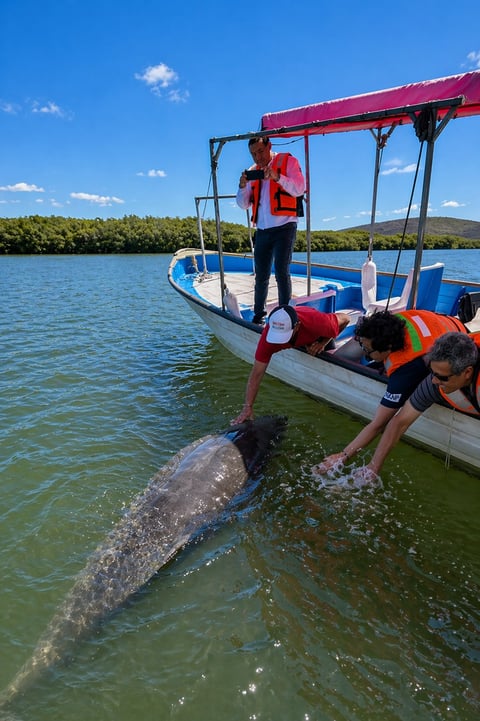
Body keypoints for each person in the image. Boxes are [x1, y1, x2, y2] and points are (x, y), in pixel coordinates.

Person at [313, 309, 467, 474]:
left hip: (457, 349)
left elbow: (379, 423)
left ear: (387, 349)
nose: (364, 353)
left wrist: (343, 455)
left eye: (368, 352)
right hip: (452, 325)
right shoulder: (393, 321)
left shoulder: (405, 370)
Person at [356, 331, 480, 479]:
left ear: (467, 372)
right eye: (432, 372)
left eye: (441, 377)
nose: (434, 381)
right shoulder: (437, 379)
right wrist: (373, 468)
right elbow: (400, 422)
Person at [232, 304, 349, 424]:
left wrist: (323, 342)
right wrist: (248, 407)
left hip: (318, 337)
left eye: (283, 336)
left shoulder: (318, 322)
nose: (279, 341)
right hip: (303, 340)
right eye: (276, 337)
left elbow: (346, 319)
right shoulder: (268, 338)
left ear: (297, 326)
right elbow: (256, 374)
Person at [236, 136, 305, 325]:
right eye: (253, 154)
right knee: (261, 274)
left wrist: (277, 177)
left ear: (269, 146)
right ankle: (259, 315)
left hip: (285, 227)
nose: (257, 157)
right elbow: (243, 204)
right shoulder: (252, 171)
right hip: (263, 230)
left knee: (282, 271)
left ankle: (285, 316)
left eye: (260, 152)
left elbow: (300, 188)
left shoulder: (288, 161)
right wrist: (242, 186)